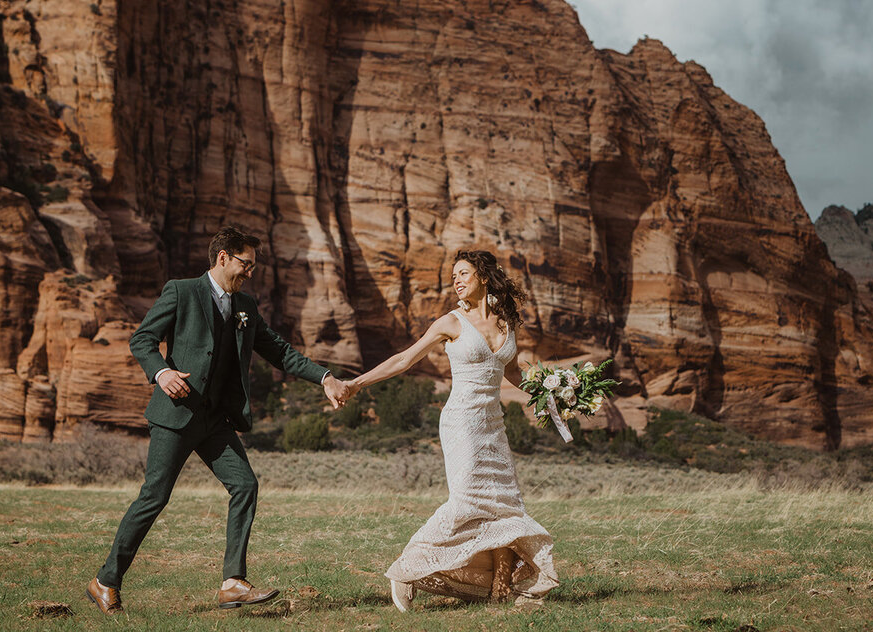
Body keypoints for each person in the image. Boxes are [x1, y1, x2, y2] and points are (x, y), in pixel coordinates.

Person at [86, 226, 351, 614]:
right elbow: (142, 339)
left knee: (245, 485)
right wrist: (162, 373)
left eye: (254, 266)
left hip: (216, 421)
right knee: (154, 497)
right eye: (246, 263)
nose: (250, 272)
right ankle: (105, 580)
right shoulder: (181, 291)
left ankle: (232, 583)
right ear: (222, 257)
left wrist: (325, 377)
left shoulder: (246, 306)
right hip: (175, 416)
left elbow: (278, 350)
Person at [344, 249, 559, 611]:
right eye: (454, 276)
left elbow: (510, 373)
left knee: (506, 505)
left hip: (494, 424)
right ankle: (407, 569)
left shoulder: (506, 322)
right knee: (467, 502)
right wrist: (357, 383)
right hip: (461, 422)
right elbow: (404, 359)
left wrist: (556, 399)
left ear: (484, 278)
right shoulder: (452, 322)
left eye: (464, 274)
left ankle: (500, 589)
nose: (456, 281)